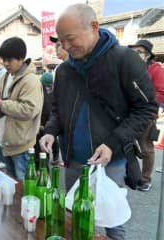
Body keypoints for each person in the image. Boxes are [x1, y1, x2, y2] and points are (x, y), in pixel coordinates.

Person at [39, 4, 158, 240]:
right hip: (73, 159)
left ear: (94, 27)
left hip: (111, 160)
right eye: (61, 41)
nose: (65, 47)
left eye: (70, 39)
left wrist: (113, 143)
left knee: (113, 223)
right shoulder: (63, 71)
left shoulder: (125, 60)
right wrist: (51, 131)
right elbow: (57, 110)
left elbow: (147, 108)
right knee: (74, 217)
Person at [0, 37, 43, 181]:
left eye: (9, 60)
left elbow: (29, 110)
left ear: (21, 59)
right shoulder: (7, 75)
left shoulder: (30, 80)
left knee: (24, 187)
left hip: (21, 144)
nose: (6, 64)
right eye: (4, 59)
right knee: (12, 184)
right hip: (7, 141)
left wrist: (1, 104)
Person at [129, 39, 164, 191]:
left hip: (145, 115)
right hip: (130, 113)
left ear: (148, 55)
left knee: (146, 147)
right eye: (134, 51)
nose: (136, 55)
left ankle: (145, 178)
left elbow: (161, 91)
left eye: (139, 52)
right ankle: (133, 174)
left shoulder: (156, 69)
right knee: (127, 145)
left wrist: (147, 105)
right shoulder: (131, 68)